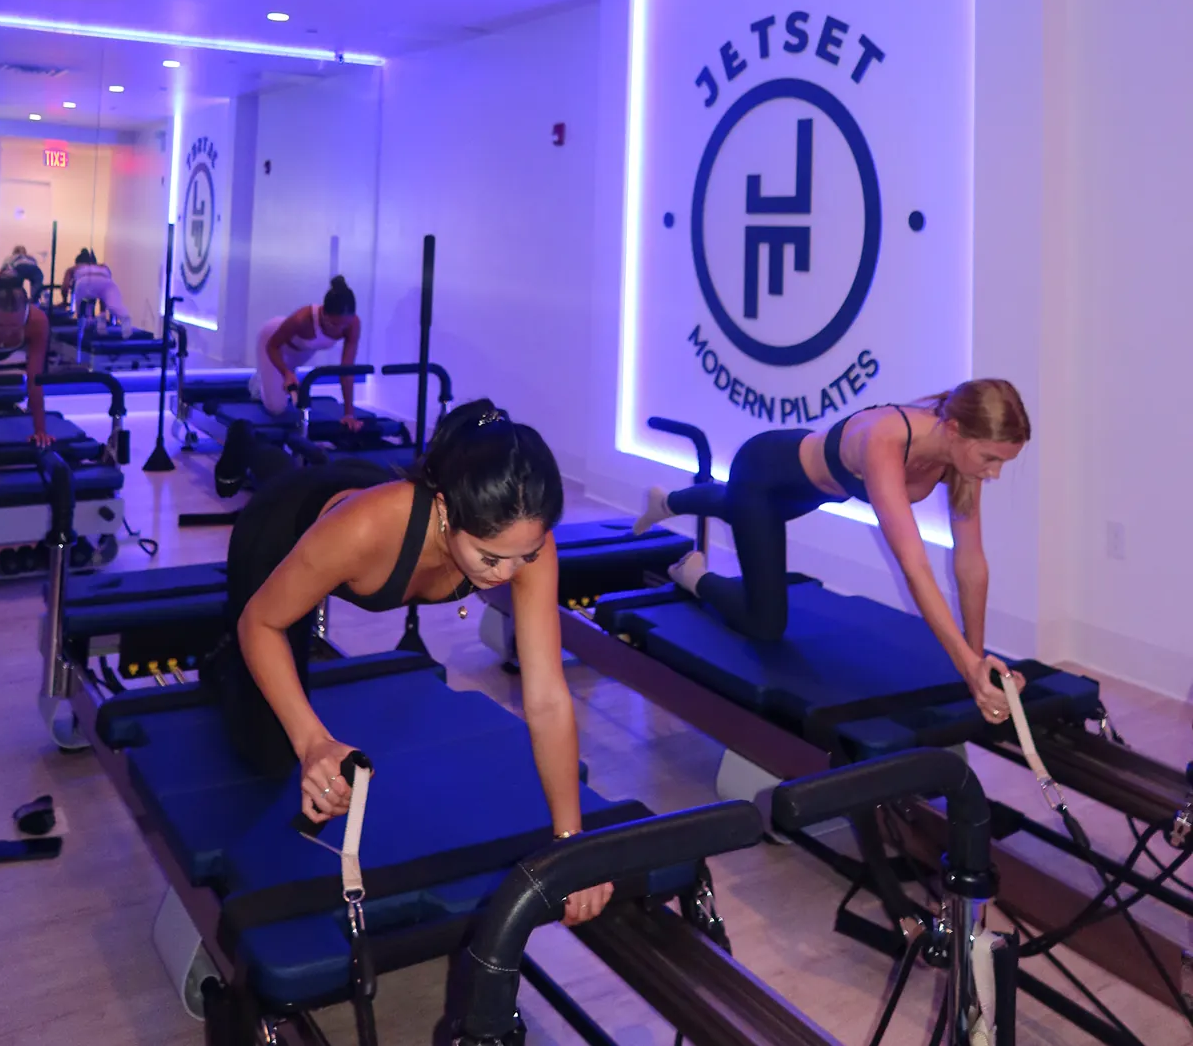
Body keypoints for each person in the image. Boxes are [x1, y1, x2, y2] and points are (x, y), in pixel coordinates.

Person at [207, 399, 613, 928]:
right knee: (267, 748)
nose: (510, 572)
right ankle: (252, 451)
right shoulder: (365, 532)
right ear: (447, 510)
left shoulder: (524, 543)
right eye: (491, 558)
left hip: (360, 492)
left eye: (524, 557)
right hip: (286, 523)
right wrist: (312, 743)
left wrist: (569, 844)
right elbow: (260, 624)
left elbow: (547, 698)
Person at [634, 379, 1030, 727]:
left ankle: (665, 500)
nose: (993, 473)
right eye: (991, 459)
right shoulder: (885, 440)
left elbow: (971, 563)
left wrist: (976, 663)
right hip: (763, 470)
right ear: (957, 430)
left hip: (806, 493)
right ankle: (692, 572)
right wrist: (967, 666)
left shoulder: (962, 458)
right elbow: (915, 566)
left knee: (730, 504)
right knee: (765, 624)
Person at [251, 276, 363, 426]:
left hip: (303, 350)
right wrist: (286, 372)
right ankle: (258, 383)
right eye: (335, 324)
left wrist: (349, 414)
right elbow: (272, 346)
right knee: (276, 408)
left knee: (286, 388)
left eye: (344, 324)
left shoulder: (353, 324)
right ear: (323, 312)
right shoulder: (302, 319)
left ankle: (269, 378)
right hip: (273, 341)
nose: (340, 329)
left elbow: (346, 371)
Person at [0, 275, 53, 445]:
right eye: (0, 325)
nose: (6, 333)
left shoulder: (37, 321)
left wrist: (40, 430)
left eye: (14, 327)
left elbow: (35, 379)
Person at [68, 254, 132, 333]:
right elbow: (104, 293)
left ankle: (87, 322)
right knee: (113, 304)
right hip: (106, 281)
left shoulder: (76, 267)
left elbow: (64, 287)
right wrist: (103, 311)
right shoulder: (103, 267)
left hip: (84, 281)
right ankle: (120, 318)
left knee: (83, 304)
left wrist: (64, 301)